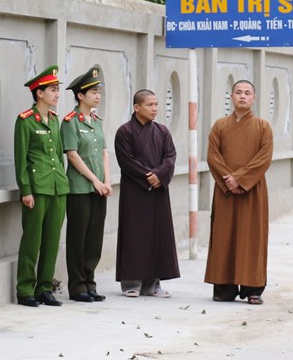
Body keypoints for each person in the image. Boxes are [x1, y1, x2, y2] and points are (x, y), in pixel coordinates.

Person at [204, 80, 274, 304]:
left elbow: (264, 159)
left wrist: (240, 179)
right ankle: (224, 287)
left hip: (252, 191)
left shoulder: (263, 127)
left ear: (253, 98)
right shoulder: (219, 126)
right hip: (225, 190)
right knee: (225, 236)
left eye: (247, 93)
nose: (243, 96)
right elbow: (213, 156)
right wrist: (229, 179)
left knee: (251, 237)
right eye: (238, 93)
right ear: (231, 97)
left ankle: (253, 288)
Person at [114, 89, 180, 297]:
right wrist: (147, 176)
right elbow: (126, 161)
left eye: (156, 105)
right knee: (134, 235)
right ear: (136, 107)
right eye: (149, 105)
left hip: (158, 190)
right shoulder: (124, 132)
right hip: (135, 190)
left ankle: (153, 284)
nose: (154, 109)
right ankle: (131, 283)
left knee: (157, 236)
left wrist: (159, 176)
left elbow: (170, 157)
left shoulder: (162, 131)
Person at [14, 65, 69, 307]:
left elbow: (58, 154)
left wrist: (62, 182)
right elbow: (21, 158)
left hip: (58, 187)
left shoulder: (55, 120)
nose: (57, 94)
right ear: (39, 93)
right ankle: (25, 288)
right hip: (37, 189)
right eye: (53, 90)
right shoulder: (25, 121)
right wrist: (25, 190)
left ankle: (44, 287)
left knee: (52, 240)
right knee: (32, 240)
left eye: (57, 90)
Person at [61, 66, 113, 303]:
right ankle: (77, 286)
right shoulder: (70, 122)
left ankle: (90, 283)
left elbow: (104, 151)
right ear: (80, 95)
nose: (98, 96)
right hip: (79, 188)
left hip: (99, 188)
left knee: (94, 237)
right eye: (93, 92)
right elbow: (72, 155)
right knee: (78, 237)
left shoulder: (97, 120)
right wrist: (94, 180)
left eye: (99, 91)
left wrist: (107, 180)